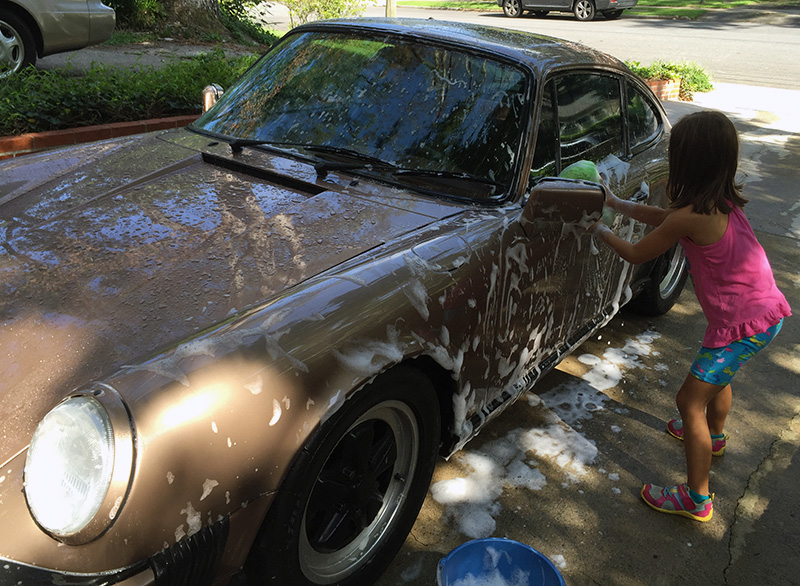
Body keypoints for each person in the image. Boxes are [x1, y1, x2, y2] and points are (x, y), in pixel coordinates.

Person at [591, 110, 791, 522]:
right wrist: (615, 204)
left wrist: (598, 228)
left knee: (688, 401)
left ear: (688, 163)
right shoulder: (719, 202)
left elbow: (635, 253)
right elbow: (663, 220)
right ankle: (714, 439)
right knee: (718, 381)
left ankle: (697, 498)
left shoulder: (688, 215)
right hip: (765, 314)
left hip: (740, 328)